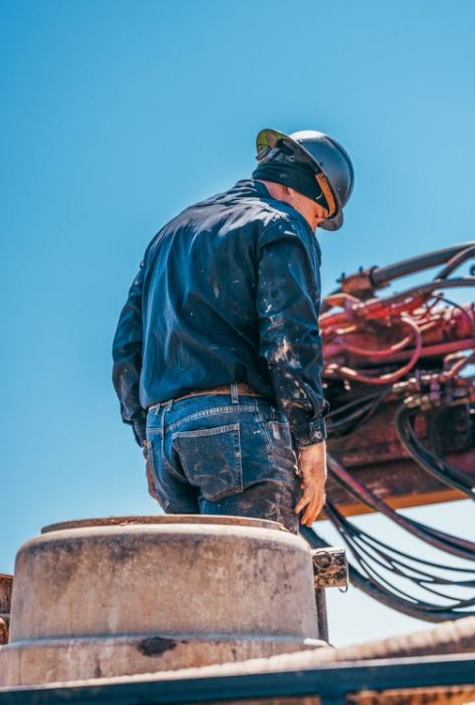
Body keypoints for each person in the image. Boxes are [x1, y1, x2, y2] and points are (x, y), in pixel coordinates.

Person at [111, 128, 354, 532]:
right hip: (239, 428)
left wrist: (146, 439)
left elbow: (126, 346)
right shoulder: (281, 224)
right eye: (317, 216)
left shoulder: (171, 233)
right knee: (259, 581)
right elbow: (289, 338)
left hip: (164, 439)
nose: (312, 228)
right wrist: (311, 440)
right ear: (302, 188)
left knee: (203, 584)